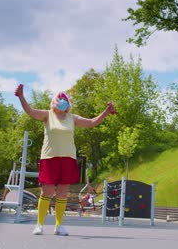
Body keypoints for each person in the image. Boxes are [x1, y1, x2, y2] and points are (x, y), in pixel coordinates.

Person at [15, 84, 116, 236]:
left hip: (68, 158)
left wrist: (106, 112)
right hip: (49, 158)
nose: (62, 100)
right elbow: (30, 111)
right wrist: (21, 96)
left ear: (68, 103)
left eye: (64, 98)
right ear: (54, 102)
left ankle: (58, 226)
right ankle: (39, 225)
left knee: (62, 192)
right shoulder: (47, 115)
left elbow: (91, 122)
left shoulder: (72, 118)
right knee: (47, 191)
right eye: (59, 98)